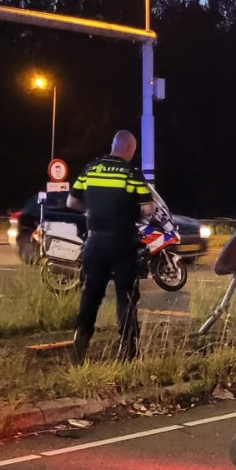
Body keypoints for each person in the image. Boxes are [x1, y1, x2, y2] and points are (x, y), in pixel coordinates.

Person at [68, 130, 153, 362]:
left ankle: (79, 346)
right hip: (122, 242)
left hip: (94, 243)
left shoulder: (91, 169)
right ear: (129, 149)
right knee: (126, 296)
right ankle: (127, 352)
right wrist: (128, 213)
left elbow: (71, 201)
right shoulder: (131, 174)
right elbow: (147, 210)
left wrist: (92, 211)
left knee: (90, 295)